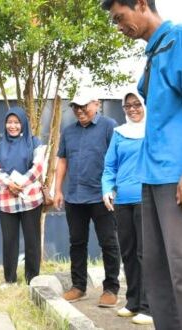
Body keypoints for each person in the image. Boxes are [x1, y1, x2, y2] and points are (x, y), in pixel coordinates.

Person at [102, 0, 182, 328]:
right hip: (151, 175)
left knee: (179, 268)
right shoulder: (154, 52)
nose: (119, 26)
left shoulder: (177, 42)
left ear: (140, 4)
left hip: (173, 176)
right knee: (157, 269)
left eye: (121, 18)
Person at [54, 94, 120, 307]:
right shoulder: (69, 131)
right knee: (77, 243)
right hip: (75, 196)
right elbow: (62, 161)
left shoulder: (110, 126)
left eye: (84, 106)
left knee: (108, 243)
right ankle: (78, 287)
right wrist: (57, 190)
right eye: (75, 107)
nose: (80, 110)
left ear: (96, 104)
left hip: (102, 196)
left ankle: (111, 288)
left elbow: (118, 158)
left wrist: (114, 189)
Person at [101, 91, 152, 325]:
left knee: (146, 254)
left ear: (144, 105)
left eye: (136, 105)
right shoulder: (119, 134)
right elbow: (110, 166)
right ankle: (132, 302)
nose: (132, 109)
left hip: (148, 198)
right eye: (127, 106)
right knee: (129, 253)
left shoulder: (153, 130)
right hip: (123, 201)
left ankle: (148, 306)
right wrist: (106, 189)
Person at [0, 107, 46, 286]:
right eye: (9, 122)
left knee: (32, 240)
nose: (12, 126)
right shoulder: (0, 146)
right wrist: (10, 184)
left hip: (30, 198)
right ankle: (10, 279)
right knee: (9, 241)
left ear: (23, 123)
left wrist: (20, 183)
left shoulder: (35, 142)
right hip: (7, 199)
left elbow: (38, 167)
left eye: (16, 122)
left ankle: (33, 278)